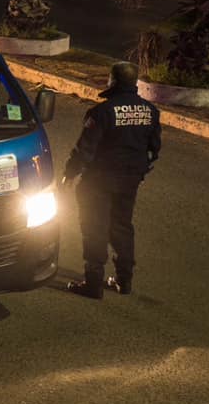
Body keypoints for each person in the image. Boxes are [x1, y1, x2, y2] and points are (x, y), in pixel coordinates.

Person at [63, 61, 162, 298]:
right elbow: (154, 147)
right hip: (129, 179)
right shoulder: (149, 111)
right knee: (122, 226)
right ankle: (123, 280)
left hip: (98, 180)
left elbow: (84, 149)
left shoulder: (102, 112)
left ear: (113, 81)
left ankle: (93, 282)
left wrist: (69, 174)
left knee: (94, 228)